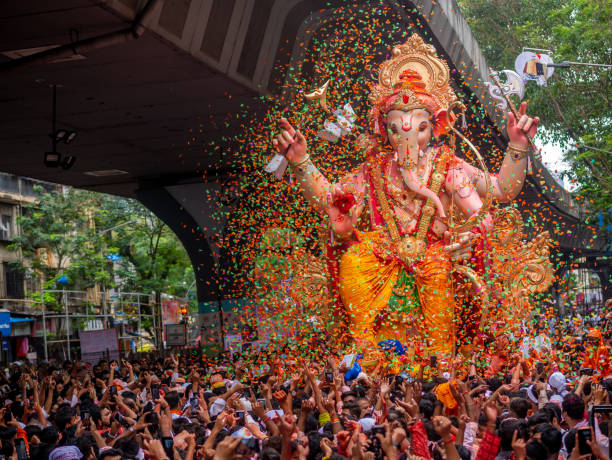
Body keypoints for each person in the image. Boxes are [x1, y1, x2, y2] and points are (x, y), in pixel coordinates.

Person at [272, 34, 541, 356]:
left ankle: (442, 359)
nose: (407, 137)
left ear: (436, 127)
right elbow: (331, 199)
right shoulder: (372, 169)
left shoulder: (448, 167)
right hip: (382, 253)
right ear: (384, 129)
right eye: (397, 129)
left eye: (419, 128)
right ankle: (365, 348)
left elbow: (501, 191)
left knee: (438, 279)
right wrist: (301, 161)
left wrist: (518, 145)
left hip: (434, 256)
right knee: (352, 262)